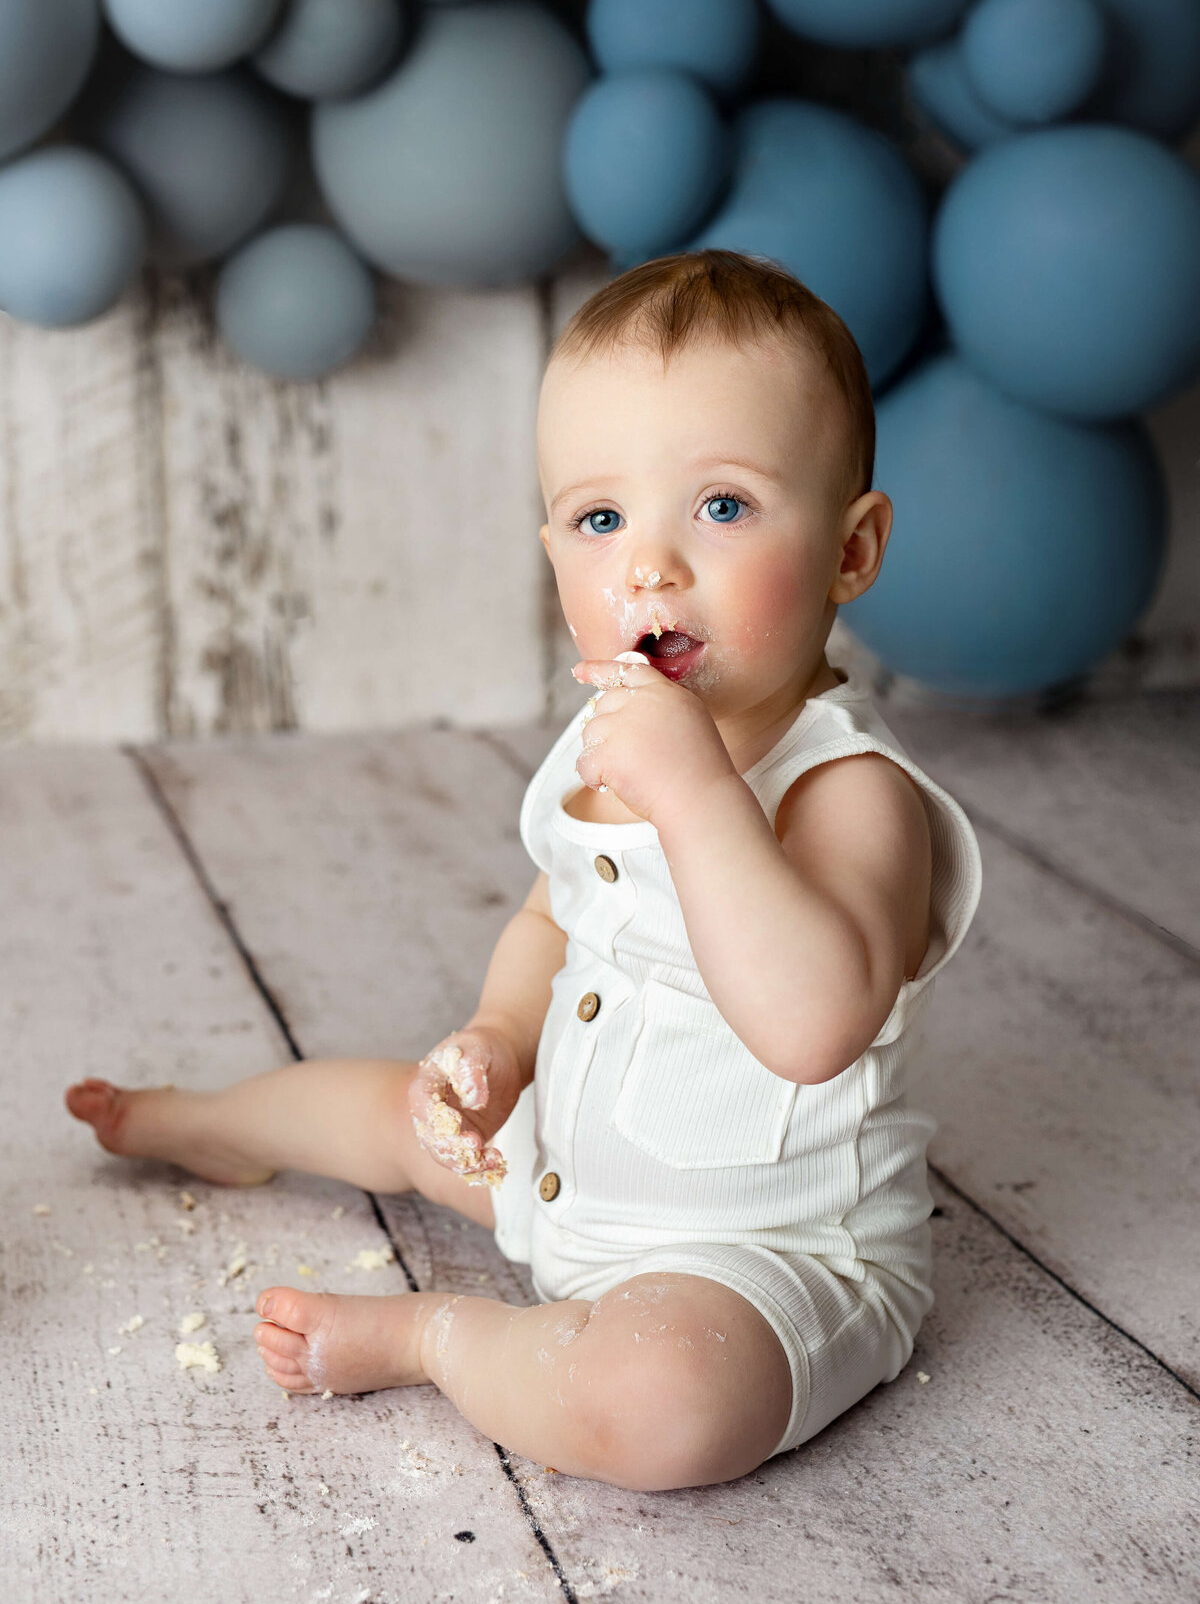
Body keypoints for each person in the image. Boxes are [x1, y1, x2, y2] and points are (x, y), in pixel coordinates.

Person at [66, 249, 982, 1492]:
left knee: (666, 1406)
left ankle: (438, 1335)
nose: (648, 568)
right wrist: (500, 1038)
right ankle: (213, 1124)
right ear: (554, 546)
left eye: (722, 506)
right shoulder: (601, 745)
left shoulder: (852, 793)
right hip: (565, 1173)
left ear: (850, 550)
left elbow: (813, 1023)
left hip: (763, 1260)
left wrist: (700, 794)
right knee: (403, 1112)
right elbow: (559, 912)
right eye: (602, 519)